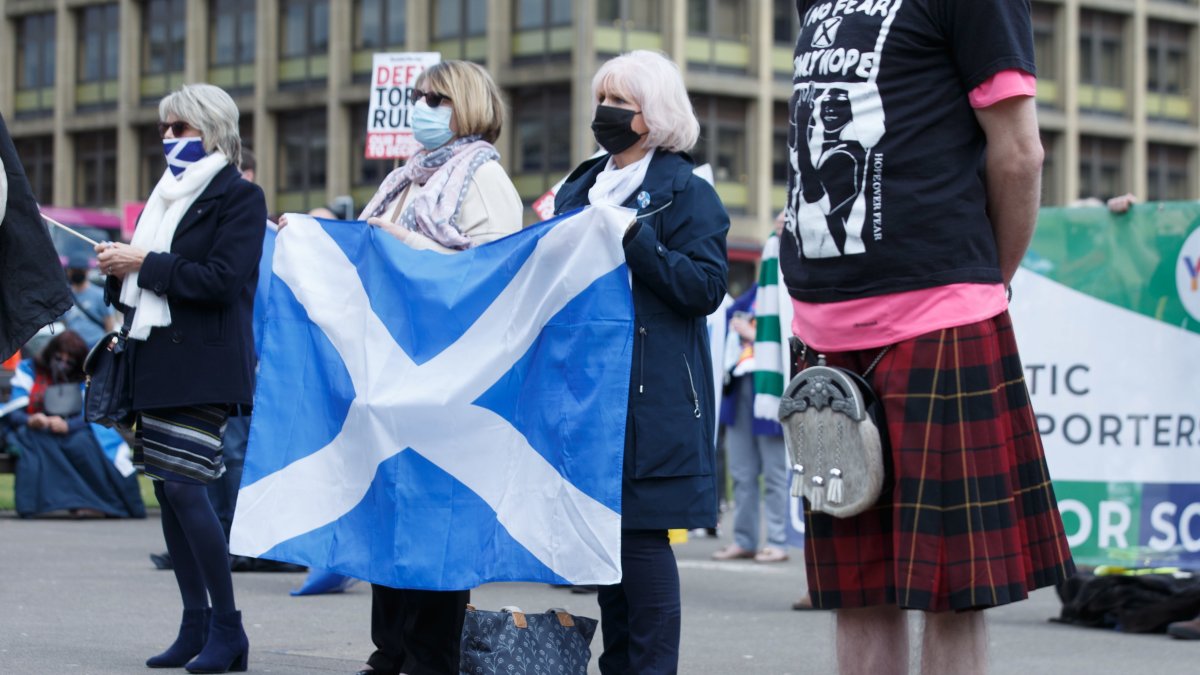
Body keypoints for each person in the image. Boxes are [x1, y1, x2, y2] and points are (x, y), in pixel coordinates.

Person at [780, 3, 1076, 674]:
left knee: (952, 589)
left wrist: (978, 285)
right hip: (824, 329)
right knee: (857, 589)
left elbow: (1020, 154)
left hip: (940, 319)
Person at [553, 50, 729, 675]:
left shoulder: (688, 192)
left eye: (617, 103)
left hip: (653, 399)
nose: (603, 114)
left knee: (641, 540)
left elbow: (705, 288)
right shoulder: (580, 187)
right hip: (588, 393)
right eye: (600, 99)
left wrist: (634, 238)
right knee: (606, 543)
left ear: (652, 116)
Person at [345, 60, 523, 675]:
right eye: (417, 96)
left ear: (467, 105)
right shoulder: (403, 181)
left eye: (436, 97)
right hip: (393, 377)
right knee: (391, 517)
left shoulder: (485, 180)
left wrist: (413, 248)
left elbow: (496, 277)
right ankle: (390, 651)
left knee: (435, 525)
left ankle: (429, 658)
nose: (421, 106)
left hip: (449, 382)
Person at [95, 83, 266, 674]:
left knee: (189, 490)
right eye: (166, 129)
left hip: (204, 365)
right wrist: (117, 268)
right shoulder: (162, 197)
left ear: (213, 131)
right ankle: (194, 624)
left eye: (180, 129)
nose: (168, 139)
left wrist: (143, 263)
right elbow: (136, 288)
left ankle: (229, 629)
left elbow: (221, 280)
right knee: (169, 492)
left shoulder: (240, 197)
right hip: (155, 360)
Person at [1, 330, 144, 518]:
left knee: (83, 446)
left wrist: (67, 426)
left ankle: (100, 504)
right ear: (51, 353)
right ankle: (40, 504)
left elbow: (89, 413)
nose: (63, 364)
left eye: (69, 361)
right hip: (36, 431)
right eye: (59, 358)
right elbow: (14, 412)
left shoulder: (82, 377)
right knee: (39, 445)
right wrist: (33, 419)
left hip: (74, 430)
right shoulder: (30, 370)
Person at [711, 285, 789, 564]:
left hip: (769, 389)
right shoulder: (756, 292)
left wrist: (754, 335)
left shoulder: (786, 293)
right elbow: (726, 315)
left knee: (774, 473)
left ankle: (777, 541)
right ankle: (744, 540)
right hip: (739, 388)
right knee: (741, 472)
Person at [61, 252, 115, 347]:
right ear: (68, 271)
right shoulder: (64, 296)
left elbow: (109, 324)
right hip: (73, 347)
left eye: (80, 270)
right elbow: (64, 322)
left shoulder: (100, 295)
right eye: (74, 270)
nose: (77, 272)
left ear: (87, 270)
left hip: (95, 345)